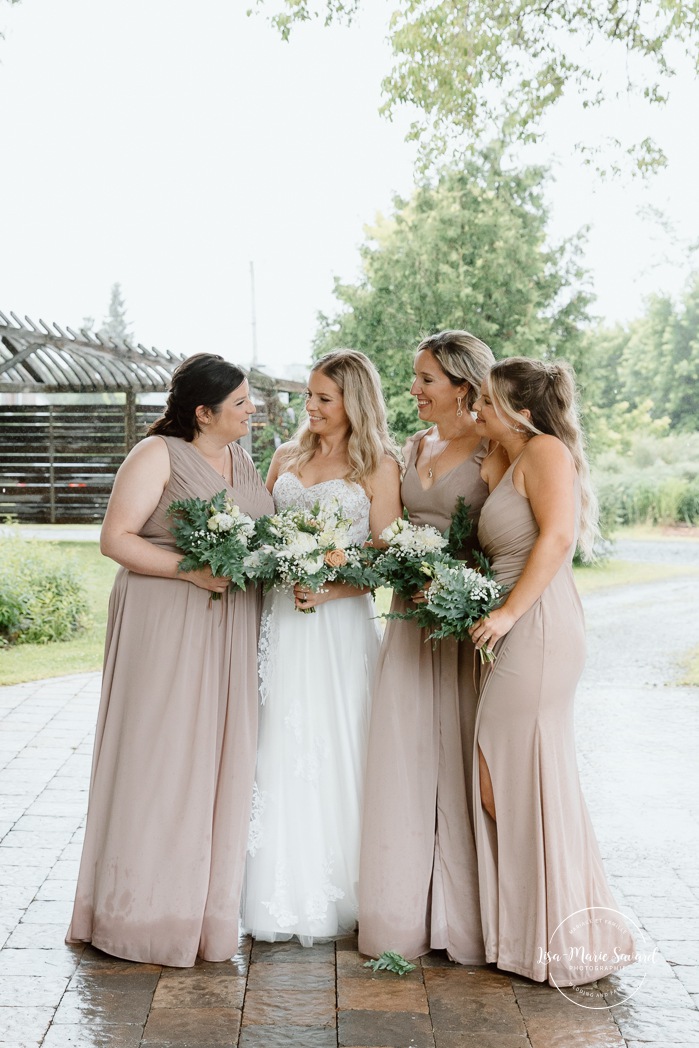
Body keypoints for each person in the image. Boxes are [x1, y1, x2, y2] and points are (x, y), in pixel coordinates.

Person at [66, 353, 274, 967]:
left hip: (229, 624)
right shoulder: (154, 454)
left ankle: (201, 912)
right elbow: (116, 539)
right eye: (240, 403)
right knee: (161, 754)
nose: (251, 411)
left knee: (215, 757)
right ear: (202, 412)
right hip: (166, 618)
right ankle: (139, 916)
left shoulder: (240, 458)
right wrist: (193, 570)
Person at [468, 356, 634, 985]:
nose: (477, 408)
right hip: (511, 622)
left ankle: (559, 934)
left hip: (535, 623)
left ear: (523, 411)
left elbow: (558, 538)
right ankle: (530, 928)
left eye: (487, 400)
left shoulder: (545, 453)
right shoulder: (506, 461)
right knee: (499, 776)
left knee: (515, 772)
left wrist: (508, 614)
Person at [242, 349, 402, 946]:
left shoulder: (379, 465)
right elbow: (259, 528)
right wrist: (273, 564)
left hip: (337, 628)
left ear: (355, 402)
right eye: (308, 396)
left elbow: (389, 559)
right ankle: (269, 886)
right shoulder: (286, 454)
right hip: (279, 622)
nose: (310, 408)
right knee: (274, 742)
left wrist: (332, 587)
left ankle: (345, 885)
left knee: (336, 743)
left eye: (323, 399)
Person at [358, 330, 508, 964]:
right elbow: (388, 534)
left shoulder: (497, 450)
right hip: (408, 623)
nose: (413, 390)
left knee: (461, 759)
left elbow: (511, 536)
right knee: (405, 755)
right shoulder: (410, 447)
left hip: (464, 626)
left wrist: (462, 589)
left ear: (463, 386)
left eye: (425, 379)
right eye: (414, 377)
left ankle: (467, 918)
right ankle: (403, 916)